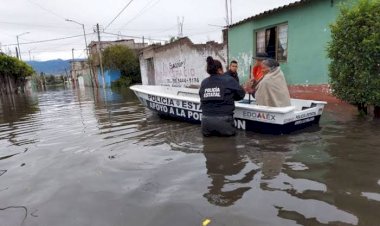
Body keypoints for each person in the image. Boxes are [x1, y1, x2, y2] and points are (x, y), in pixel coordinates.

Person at [199, 56, 245, 136]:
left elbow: (201, 96)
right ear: (220, 70)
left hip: (205, 122)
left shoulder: (204, 83)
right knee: (228, 146)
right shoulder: (229, 80)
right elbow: (241, 95)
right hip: (224, 122)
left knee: (208, 147)